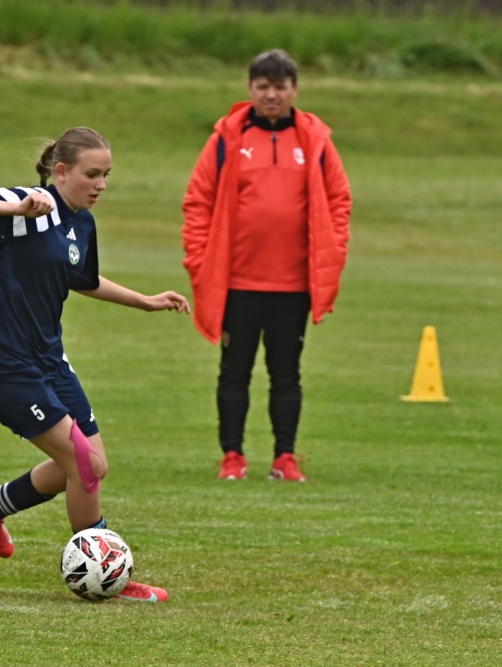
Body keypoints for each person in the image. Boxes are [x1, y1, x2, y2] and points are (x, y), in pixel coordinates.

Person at [0, 127, 190, 602]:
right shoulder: (31, 207)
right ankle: (107, 575)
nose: (101, 184)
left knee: (92, 465)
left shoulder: (82, 223)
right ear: (60, 171)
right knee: (85, 466)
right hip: (3, 361)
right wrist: (16, 208)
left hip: (50, 360)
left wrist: (145, 300)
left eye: (106, 175)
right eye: (92, 174)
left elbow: (83, 279)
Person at [182, 48, 352, 483]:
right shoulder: (226, 139)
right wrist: (199, 260)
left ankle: (285, 458)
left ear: (295, 90)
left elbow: (339, 200)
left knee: (287, 373)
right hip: (237, 282)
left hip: (293, 284)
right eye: (263, 86)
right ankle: (232, 457)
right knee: (234, 371)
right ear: (250, 89)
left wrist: (334, 252)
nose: (271, 95)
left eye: (280, 87)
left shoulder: (314, 141)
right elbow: (198, 201)